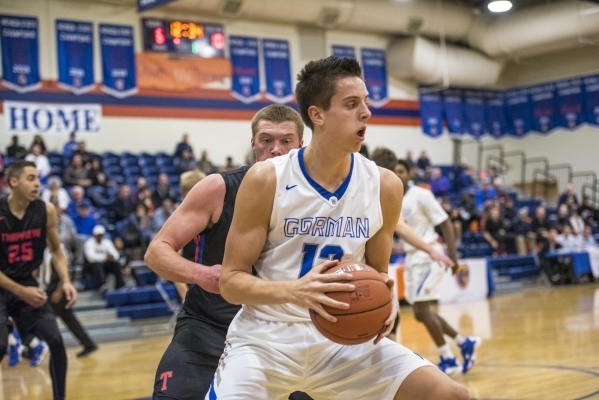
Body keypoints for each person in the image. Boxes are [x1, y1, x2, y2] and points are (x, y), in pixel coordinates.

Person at [211, 57, 468, 399]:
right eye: (351, 105)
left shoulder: (385, 186)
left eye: (365, 102)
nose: (366, 113)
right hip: (265, 340)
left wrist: (386, 299)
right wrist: (296, 291)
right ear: (316, 115)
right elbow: (230, 282)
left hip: (343, 342)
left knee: (450, 395)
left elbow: (378, 272)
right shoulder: (267, 178)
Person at [145, 104, 313, 400]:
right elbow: (157, 251)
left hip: (280, 336)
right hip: (209, 328)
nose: (276, 150)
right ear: (253, 144)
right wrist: (202, 274)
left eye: (286, 141)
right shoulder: (218, 187)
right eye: (266, 140)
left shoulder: (317, 201)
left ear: (301, 145)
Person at [389, 157, 481, 375]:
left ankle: (448, 358)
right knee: (420, 313)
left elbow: (445, 222)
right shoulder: (392, 197)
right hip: (412, 258)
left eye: (402, 171)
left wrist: (453, 255)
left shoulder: (421, 195)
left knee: (422, 310)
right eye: (395, 171)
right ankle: (464, 342)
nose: (398, 175)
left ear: (411, 173)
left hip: (429, 256)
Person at [0, 160, 77, 400]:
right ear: (13, 182)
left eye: (38, 178)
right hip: (3, 288)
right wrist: (22, 292)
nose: (37, 183)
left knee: (55, 341)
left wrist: (65, 280)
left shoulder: (46, 210)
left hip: (28, 286)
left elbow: (56, 251)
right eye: (30, 178)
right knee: (0, 346)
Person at [83, 225, 125, 291]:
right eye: (98, 235)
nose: (99, 237)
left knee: (115, 264)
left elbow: (115, 254)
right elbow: (91, 258)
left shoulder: (107, 242)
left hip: (104, 265)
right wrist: (105, 257)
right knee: (96, 264)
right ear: (94, 235)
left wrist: (112, 257)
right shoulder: (89, 243)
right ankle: (102, 285)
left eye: (101, 235)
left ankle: (120, 284)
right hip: (92, 267)